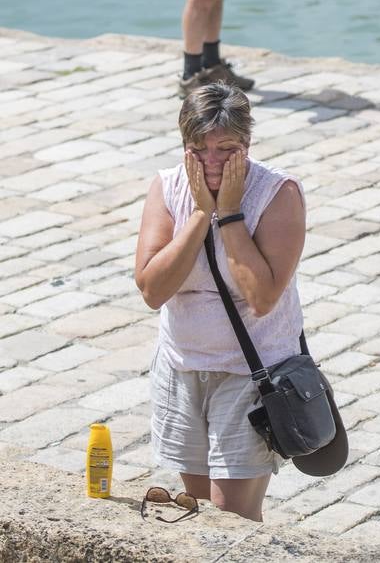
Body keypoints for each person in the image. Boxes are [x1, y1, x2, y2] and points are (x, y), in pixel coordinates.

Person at [135, 82, 306, 522]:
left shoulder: (278, 194)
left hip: (250, 372)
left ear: (246, 145)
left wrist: (229, 214)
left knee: (232, 516)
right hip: (181, 367)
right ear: (185, 146)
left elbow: (263, 297)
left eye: (226, 149)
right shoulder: (168, 187)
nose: (212, 161)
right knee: (199, 513)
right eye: (200, 148)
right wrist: (197, 214)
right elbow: (153, 290)